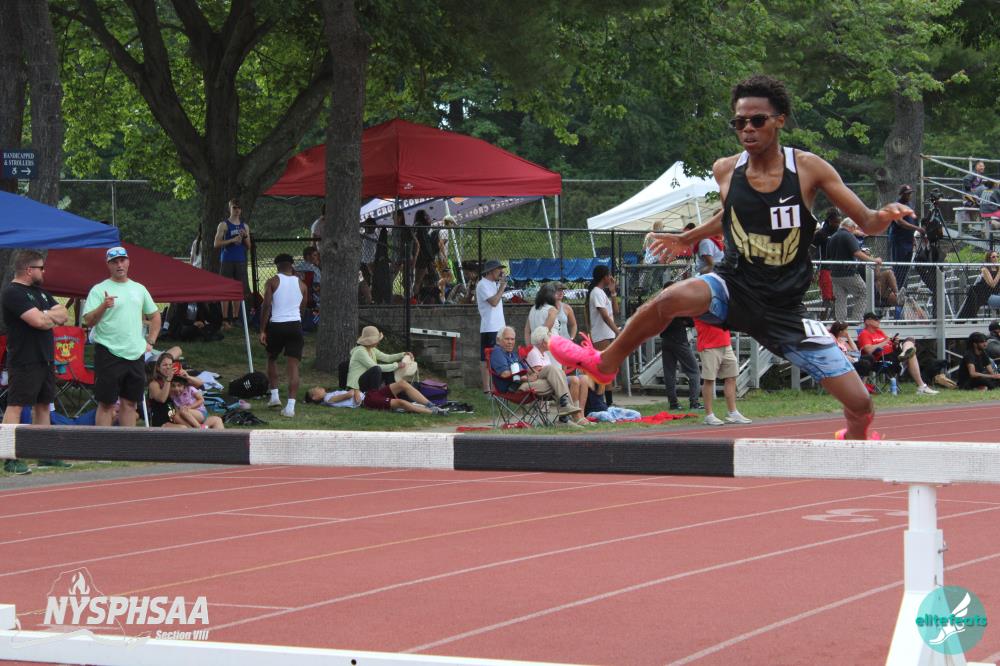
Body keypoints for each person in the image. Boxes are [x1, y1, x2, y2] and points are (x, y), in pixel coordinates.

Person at [548, 74, 916, 440]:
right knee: (669, 299)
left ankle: (855, 439)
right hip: (734, 283)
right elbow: (731, 215)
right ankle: (606, 362)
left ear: (780, 120)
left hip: (784, 309)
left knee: (861, 404)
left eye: (757, 120)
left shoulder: (807, 168)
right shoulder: (725, 169)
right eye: (739, 123)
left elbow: (867, 220)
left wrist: (884, 215)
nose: (747, 129)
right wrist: (687, 238)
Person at [2, 250, 71, 474]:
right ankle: (9, 457)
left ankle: (45, 454)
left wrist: (45, 315)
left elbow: (63, 314)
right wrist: (47, 317)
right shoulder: (12, 292)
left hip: (45, 358)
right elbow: (38, 322)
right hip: (24, 358)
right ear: (29, 270)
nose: (44, 272)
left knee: (44, 404)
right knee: (16, 405)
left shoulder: (41, 293)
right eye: (41, 268)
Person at [83, 246, 161, 427]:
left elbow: (155, 315)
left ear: (128, 262)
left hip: (135, 353)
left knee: (130, 403)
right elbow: (88, 321)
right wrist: (103, 306)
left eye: (122, 260)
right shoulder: (99, 289)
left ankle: (127, 443)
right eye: (114, 262)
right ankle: (103, 445)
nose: (119, 265)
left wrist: (150, 340)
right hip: (108, 351)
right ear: (108, 265)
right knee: (106, 404)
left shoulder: (139, 288)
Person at [490, 326, 588, 427]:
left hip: (528, 382)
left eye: (512, 339)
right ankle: (567, 416)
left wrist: (533, 373)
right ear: (499, 339)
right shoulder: (498, 352)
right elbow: (505, 374)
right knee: (557, 380)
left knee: (553, 371)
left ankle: (565, 411)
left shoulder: (513, 355)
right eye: (507, 339)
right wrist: (526, 378)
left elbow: (527, 370)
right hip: (515, 388)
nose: (510, 342)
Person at [259, 254, 306, 418]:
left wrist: (262, 330)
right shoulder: (302, 285)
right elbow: (302, 309)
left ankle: (275, 396)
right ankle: (290, 407)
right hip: (295, 325)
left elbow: (266, 306)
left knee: (271, 358)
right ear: (292, 266)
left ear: (277, 266)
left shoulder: (272, 281)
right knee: (293, 366)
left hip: (277, 325)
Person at [856, 312, 938, 395]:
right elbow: (869, 350)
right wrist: (885, 342)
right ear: (867, 321)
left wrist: (894, 343)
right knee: (911, 354)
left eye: (879, 319)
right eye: (876, 319)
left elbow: (889, 344)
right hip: (883, 359)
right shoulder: (864, 334)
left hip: (894, 353)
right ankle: (921, 386)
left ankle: (904, 354)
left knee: (910, 340)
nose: (879, 321)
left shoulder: (879, 331)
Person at [525, 326, 594, 423]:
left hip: (551, 380)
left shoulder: (545, 355)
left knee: (583, 378)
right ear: (542, 342)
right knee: (572, 379)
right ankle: (575, 416)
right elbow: (538, 372)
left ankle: (580, 414)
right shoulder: (533, 352)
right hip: (542, 382)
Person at [694, 319, 751, 426]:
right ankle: (709, 416)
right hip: (708, 345)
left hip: (725, 344)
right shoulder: (700, 309)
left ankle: (733, 413)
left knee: (731, 376)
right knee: (709, 379)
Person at [147, 352, 224, 429]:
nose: (168, 367)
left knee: (217, 420)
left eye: (170, 365)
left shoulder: (176, 379)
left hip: (183, 418)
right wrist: (168, 379)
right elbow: (162, 399)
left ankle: (202, 431)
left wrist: (188, 377)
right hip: (163, 422)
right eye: (165, 365)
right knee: (183, 428)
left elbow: (200, 383)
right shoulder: (154, 384)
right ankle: (198, 430)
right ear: (158, 368)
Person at [659, 282, 701, 412]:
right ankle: (694, 402)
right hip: (679, 339)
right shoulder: (678, 303)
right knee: (694, 371)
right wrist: (683, 321)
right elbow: (691, 321)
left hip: (665, 339)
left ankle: (673, 403)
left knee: (669, 373)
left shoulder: (660, 305)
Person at [827, 218, 880, 321]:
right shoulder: (848, 235)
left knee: (840, 298)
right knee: (863, 292)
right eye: (854, 228)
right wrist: (873, 260)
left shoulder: (833, 237)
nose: (854, 230)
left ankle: (841, 323)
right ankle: (856, 320)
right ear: (851, 227)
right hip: (849, 273)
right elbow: (857, 253)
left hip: (834, 274)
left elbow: (828, 255)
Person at [213, 198, 251, 329]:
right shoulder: (223, 225)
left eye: (239, 208)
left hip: (240, 260)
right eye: (234, 207)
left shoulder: (245, 226)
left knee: (238, 289)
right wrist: (231, 240)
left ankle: (235, 318)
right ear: (230, 208)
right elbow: (216, 244)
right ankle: (224, 319)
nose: (237, 210)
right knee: (225, 288)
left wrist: (245, 236)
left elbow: (249, 246)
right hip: (227, 260)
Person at [476, 259, 506, 393]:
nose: (501, 272)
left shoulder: (494, 284)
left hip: (499, 327)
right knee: (487, 358)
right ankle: (487, 389)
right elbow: (494, 302)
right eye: (499, 269)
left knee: (499, 356)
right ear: (491, 271)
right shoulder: (482, 285)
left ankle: (497, 387)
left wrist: (500, 286)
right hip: (490, 327)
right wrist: (502, 287)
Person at [887, 185, 921, 290]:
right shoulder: (896, 206)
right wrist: (917, 228)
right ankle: (896, 291)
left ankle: (903, 291)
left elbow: (912, 220)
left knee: (906, 268)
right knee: (899, 267)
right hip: (899, 241)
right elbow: (900, 222)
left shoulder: (909, 205)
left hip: (908, 241)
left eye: (910, 193)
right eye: (907, 194)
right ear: (901, 194)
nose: (909, 196)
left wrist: (913, 238)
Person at [811, 208, 841, 319]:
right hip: (825, 268)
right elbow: (812, 249)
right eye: (835, 221)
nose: (837, 224)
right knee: (827, 297)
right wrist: (813, 269)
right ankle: (823, 321)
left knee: (838, 296)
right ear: (829, 220)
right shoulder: (821, 233)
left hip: (838, 269)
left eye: (839, 221)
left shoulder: (840, 232)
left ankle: (836, 320)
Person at [957, 250, 1000, 319]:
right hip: (988, 295)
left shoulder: (998, 268)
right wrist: (999, 273)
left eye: (997, 256)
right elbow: (992, 284)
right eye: (993, 257)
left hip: (997, 293)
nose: (996, 258)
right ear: (989, 258)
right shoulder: (985, 269)